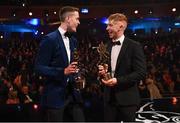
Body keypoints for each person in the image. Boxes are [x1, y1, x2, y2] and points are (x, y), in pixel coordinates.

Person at [34, 6, 85, 121]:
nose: (79, 22)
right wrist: (63, 71)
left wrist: (79, 75)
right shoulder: (49, 39)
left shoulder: (73, 40)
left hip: (73, 95)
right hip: (55, 96)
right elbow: (39, 68)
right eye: (76, 19)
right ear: (68, 19)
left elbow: (73, 65)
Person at [98, 13, 146, 122]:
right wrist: (102, 72)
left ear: (121, 26)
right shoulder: (106, 46)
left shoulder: (134, 46)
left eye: (110, 25)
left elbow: (141, 72)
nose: (107, 28)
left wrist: (117, 81)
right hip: (109, 99)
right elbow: (104, 70)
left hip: (127, 99)